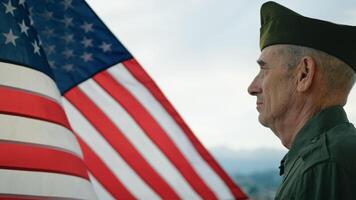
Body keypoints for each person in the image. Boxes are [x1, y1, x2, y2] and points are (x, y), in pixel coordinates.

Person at [247, 1, 356, 199]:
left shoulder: (324, 165)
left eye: (264, 70)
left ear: (304, 74)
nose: (252, 88)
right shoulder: (328, 156)